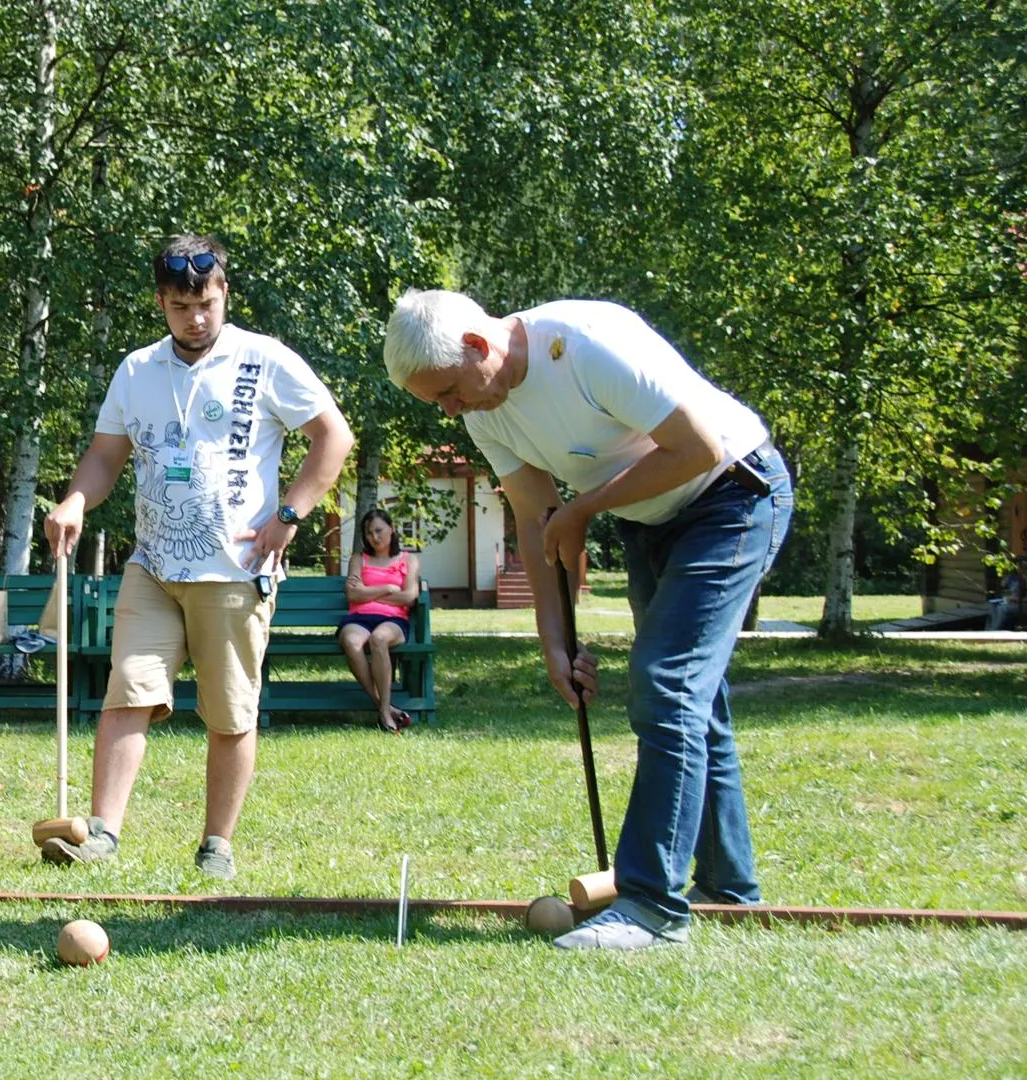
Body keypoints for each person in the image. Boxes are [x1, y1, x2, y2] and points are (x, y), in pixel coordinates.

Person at [383, 289, 792, 950]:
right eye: (438, 403)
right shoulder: (488, 414)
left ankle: (652, 906)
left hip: (733, 497)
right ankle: (728, 887)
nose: (451, 411)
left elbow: (696, 447)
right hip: (653, 520)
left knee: (668, 684)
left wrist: (584, 510)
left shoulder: (584, 344)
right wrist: (553, 642)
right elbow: (536, 519)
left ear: (479, 347)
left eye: (451, 393)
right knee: (694, 698)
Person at [40, 235, 354, 880]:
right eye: (181, 306)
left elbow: (334, 437)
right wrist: (75, 501)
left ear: (223, 294)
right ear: (161, 302)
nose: (196, 317)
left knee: (230, 711)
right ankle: (101, 832)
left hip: (235, 571)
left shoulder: (264, 360)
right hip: (153, 565)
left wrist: (288, 517)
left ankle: (217, 843)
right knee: (127, 692)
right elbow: (105, 457)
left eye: (205, 302)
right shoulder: (136, 370)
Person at [338, 509, 422, 733]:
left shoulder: (409, 560)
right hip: (359, 617)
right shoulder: (359, 559)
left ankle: (384, 709)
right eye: (368, 533)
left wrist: (367, 591)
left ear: (392, 529)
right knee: (351, 642)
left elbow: (409, 597)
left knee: (379, 639)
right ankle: (385, 707)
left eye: (379, 530)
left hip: (394, 620)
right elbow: (352, 595)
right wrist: (386, 588)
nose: (374, 537)